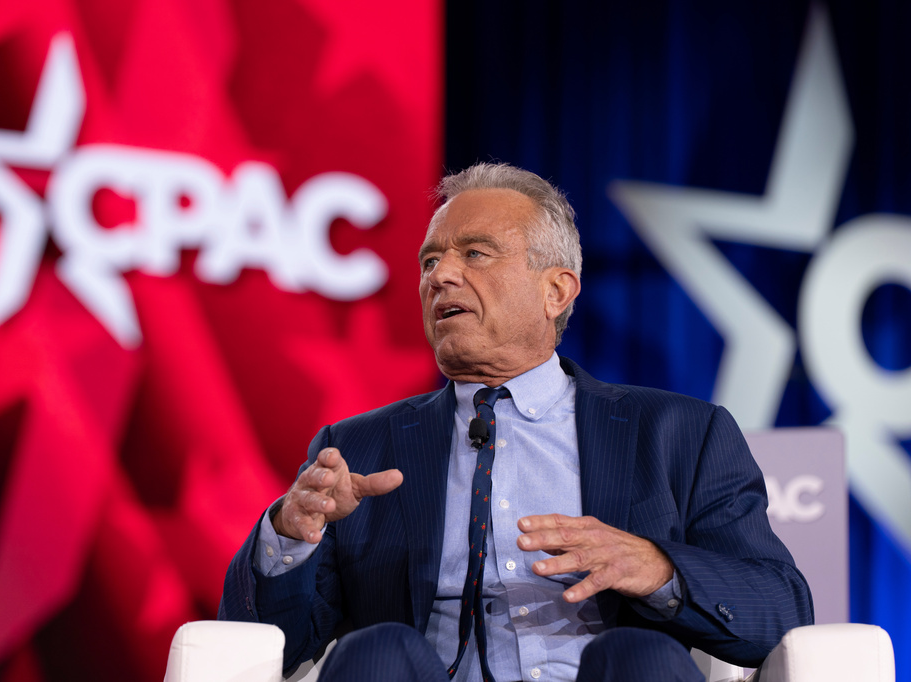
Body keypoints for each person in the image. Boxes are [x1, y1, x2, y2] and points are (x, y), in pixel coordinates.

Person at [218, 163, 812, 682]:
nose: (439, 277)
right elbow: (270, 644)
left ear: (557, 290)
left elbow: (781, 611)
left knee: (638, 656)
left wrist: (656, 567)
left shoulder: (680, 434)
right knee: (380, 648)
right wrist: (290, 537)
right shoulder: (357, 449)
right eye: (430, 260)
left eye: (474, 253)